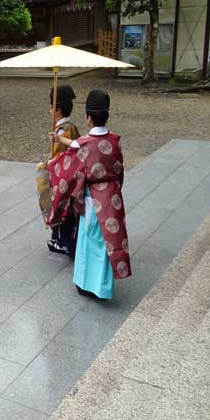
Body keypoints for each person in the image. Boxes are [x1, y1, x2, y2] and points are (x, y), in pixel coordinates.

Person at [47, 89, 131, 299]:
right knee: (106, 242)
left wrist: (51, 166)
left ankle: (86, 285)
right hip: (112, 197)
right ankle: (103, 286)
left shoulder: (84, 146)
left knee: (89, 239)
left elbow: (69, 171)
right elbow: (119, 168)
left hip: (93, 200)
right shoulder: (114, 141)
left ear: (89, 118)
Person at [46, 85, 80, 257]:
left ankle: (62, 242)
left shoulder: (64, 130)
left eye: (51, 106)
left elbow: (62, 157)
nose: (49, 109)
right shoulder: (69, 126)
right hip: (70, 177)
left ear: (58, 109)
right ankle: (60, 239)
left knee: (61, 209)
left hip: (63, 178)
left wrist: (50, 163)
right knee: (65, 210)